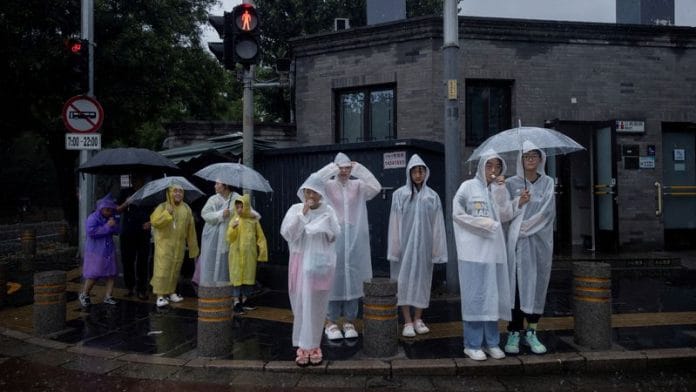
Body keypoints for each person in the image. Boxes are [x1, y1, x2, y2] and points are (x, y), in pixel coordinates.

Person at [453, 151, 513, 361]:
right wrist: (485, 225)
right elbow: (457, 214)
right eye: (489, 166)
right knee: (475, 299)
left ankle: (492, 342)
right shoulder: (467, 188)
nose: (493, 170)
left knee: (491, 299)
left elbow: (505, 215)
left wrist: (502, 191)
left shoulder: (497, 189)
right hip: (473, 254)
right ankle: (472, 344)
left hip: (495, 254)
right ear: (481, 167)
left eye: (497, 166)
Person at [316, 152, 381, 341]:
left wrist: (359, 169)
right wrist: (331, 168)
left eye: (347, 168)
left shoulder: (358, 185)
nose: (344, 171)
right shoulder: (327, 186)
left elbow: (375, 187)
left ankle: (349, 320)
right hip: (333, 235)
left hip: (354, 236)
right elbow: (312, 182)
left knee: (353, 274)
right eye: (341, 168)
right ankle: (330, 321)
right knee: (333, 274)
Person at [501, 140, 555, 355]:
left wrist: (524, 228)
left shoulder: (548, 182)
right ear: (520, 160)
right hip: (516, 244)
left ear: (541, 159)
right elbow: (503, 212)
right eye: (526, 156)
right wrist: (518, 203)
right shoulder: (511, 183)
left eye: (534, 155)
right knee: (516, 287)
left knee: (537, 284)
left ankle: (532, 331)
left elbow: (547, 212)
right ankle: (514, 331)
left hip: (539, 242)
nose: (530, 159)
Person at [280, 173, 340, 367]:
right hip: (299, 263)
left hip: (319, 265)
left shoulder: (329, 211)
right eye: (307, 191)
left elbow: (334, 236)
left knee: (316, 306)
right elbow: (288, 234)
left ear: (321, 193)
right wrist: (302, 216)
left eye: (314, 191)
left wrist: (324, 228)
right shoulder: (296, 209)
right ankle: (302, 346)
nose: (310, 195)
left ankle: (314, 345)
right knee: (300, 305)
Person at [387, 154, 447, 337]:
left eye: (421, 171)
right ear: (409, 173)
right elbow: (395, 223)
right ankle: (407, 321)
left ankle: (418, 318)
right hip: (404, 248)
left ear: (426, 173)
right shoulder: (400, 195)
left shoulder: (432, 197)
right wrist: (394, 248)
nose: (418, 175)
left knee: (422, 282)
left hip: (424, 248)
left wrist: (437, 250)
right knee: (403, 282)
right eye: (415, 171)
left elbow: (438, 226)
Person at [150, 181, 200, 308]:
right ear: (170, 192)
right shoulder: (162, 207)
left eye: (181, 191)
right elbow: (155, 222)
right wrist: (167, 214)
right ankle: (160, 295)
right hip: (164, 246)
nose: (178, 193)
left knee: (175, 270)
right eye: (175, 191)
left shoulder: (187, 208)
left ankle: (171, 292)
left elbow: (191, 229)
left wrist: (193, 248)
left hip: (179, 246)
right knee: (163, 270)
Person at [226, 194, 268, 313]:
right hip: (236, 255)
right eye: (237, 207)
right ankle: (236, 301)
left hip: (250, 255)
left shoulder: (253, 221)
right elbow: (229, 238)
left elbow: (261, 237)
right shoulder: (234, 220)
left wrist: (262, 253)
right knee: (236, 278)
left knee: (248, 279)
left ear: (247, 207)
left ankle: (245, 300)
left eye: (242, 206)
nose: (239, 209)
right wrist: (232, 228)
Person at [79, 194, 120, 307]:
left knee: (111, 274)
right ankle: (85, 294)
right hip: (96, 251)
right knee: (94, 274)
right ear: (101, 208)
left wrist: (113, 225)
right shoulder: (92, 218)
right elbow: (91, 232)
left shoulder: (110, 218)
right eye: (107, 210)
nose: (109, 212)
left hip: (108, 250)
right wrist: (107, 226)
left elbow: (117, 230)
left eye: (110, 210)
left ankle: (108, 296)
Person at [117, 174, 152, 300]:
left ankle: (142, 289)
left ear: (143, 180)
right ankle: (129, 287)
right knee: (127, 260)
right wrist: (126, 203)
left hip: (143, 232)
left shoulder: (149, 193)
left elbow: (157, 211)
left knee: (143, 261)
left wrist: (151, 222)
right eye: (134, 180)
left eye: (139, 179)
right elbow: (117, 209)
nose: (137, 182)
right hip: (128, 231)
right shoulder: (125, 192)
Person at [198, 181, 237, 286]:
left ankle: (228, 289)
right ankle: (211, 287)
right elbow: (205, 214)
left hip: (229, 235)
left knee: (227, 262)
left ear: (226, 185)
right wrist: (220, 214)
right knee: (212, 260)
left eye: (218, 183)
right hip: (213, 237)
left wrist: (231, 213)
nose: (215, 186)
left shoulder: (237, 199)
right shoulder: (213, 199)